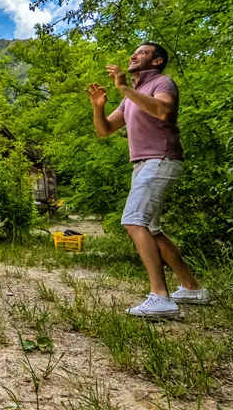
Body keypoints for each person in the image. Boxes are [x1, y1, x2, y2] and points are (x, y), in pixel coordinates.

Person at [85, 41, 209, 318]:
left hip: (160, 158)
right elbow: (104, 130)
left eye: (142, 53)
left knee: (133, 220)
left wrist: (123, 87)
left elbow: (163, 111)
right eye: (134, 51)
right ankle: (191, 288)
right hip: (143, 164)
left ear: (156, 62)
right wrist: (98, 106)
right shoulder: (131, 96)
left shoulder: (162, 82)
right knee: (150, 227)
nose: (134, 55)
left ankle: (161, 297)